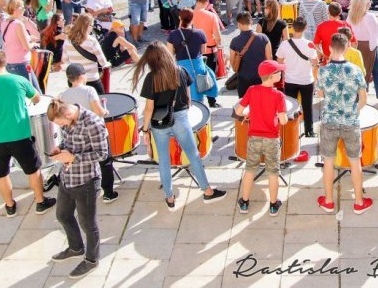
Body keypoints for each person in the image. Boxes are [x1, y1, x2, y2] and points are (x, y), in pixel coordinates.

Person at [134, 42, 226, 210]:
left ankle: (169, 198)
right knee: (193, 155)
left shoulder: (152, 78)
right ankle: (207, 190)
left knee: (163, 160)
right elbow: (189, 98)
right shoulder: (180, 71)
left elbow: (149, 108)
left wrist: (145, 129)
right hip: (181, 118)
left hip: (159, 122)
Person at [0, 50, 56, 217]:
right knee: (33, 170)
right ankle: (40, 201)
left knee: (2, 175)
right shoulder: (19, 80)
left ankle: (10, 206)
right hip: (21, 135)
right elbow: (37, 99)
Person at [46, 98, 108, 278]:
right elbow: (68, 142)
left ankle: (92, 259)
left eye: (61, 123)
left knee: (88, 224)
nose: (62, 126)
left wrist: (73, 158)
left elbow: (102, 154)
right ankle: (76, 247)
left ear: (67, 114)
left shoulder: (93, 123)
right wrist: (60, 149)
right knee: (62, 215)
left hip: (86, 181)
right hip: (67, 178)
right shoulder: (68, 120)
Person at [315, 34, 373, 214]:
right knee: (355, 162)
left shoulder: (323, 71)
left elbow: (320, 95)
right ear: (347, 48)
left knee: (328, 162)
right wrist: (353, 112)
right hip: (350, 122)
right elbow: (363, 99)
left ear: (330, 49)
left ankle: (329, 201)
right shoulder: (355, 70)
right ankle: (358, 202)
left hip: (329, 121)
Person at [235, 60, 288, 216]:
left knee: (250, 169)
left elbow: (239, 111)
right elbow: (284, 120)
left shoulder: (252, 90)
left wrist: (249, 114)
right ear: (272, 76)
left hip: (254, 138)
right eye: (279, 72)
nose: (281, 74)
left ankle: (244, 202)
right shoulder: (279, 95)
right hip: (271, 139)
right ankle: (273, 205)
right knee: (273, 172)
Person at [60, 64, 118, 202]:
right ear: (81, 76)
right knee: (105, 160)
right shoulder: (89, 90)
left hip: (77, 135)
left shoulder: (64, 95)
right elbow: (98, 112)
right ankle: (108, 192)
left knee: (83, 159)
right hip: (94, 132)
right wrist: (105, 111)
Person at [168, 9, 220, 108]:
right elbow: (203, 50)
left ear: (180, 18)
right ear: (192, 18)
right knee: (200, 91)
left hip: (182, 67)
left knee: (186, 92)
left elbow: (170, 53)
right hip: (198, 65)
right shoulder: (200, 33)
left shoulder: (173, 34)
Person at [277, 18, 318, 137]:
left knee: (290, 106)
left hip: (290, 80)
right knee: (307, 106)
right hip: (307, 80)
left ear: (292, 28)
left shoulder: (284, 44)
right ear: (305, 29)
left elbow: (279, 61)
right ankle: (309, 131)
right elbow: (315, 62)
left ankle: (290, 130)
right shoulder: (309, 44)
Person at [62, 13, 111, 95]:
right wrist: (107, 64)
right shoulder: (91, 41)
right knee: (100, 101)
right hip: (91, 78)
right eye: (92, 25)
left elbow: (65, 60)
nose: (92, 28)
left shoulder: (68, 40)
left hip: (74, 80)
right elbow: (102, 62)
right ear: (87, 26)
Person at [229, 12, 272, 97]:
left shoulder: (234, 41)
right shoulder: (264, 38)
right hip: (261, 78)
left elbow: (232, 62)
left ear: (238, 24)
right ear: (251, 22)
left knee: (244, 106)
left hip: (243, 79)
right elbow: (269, 60)